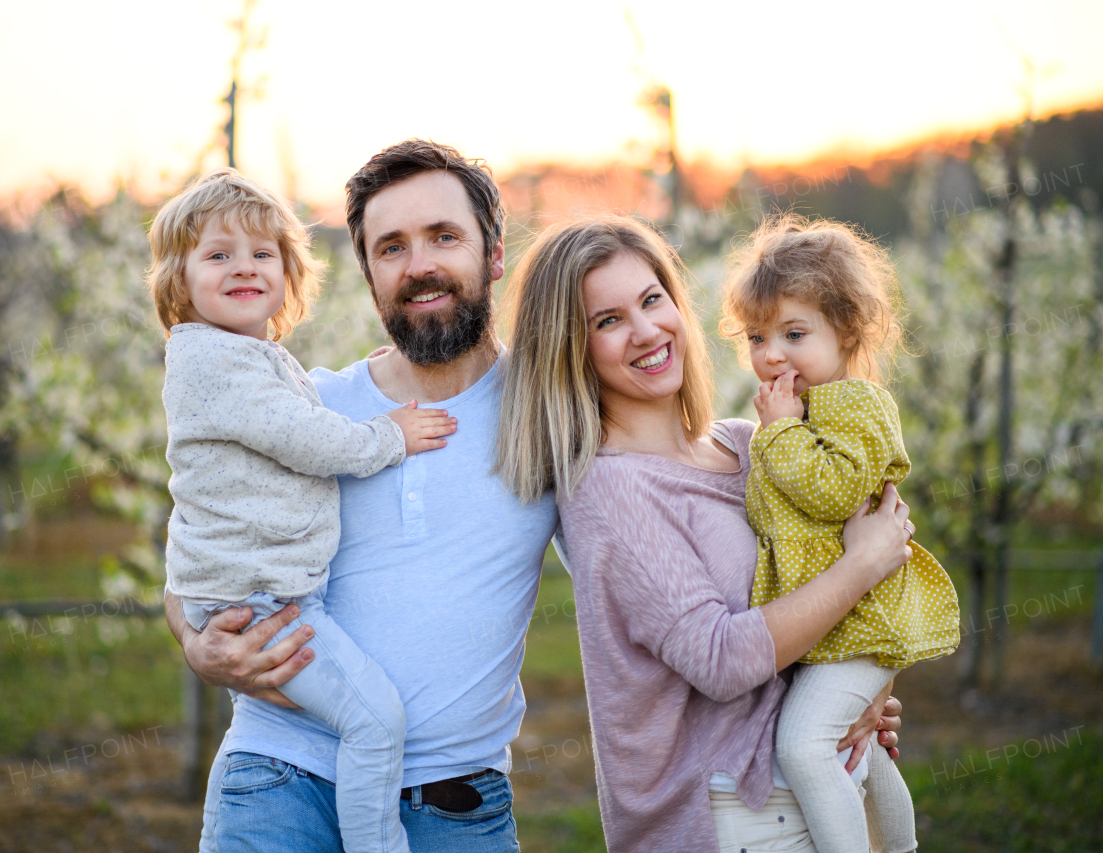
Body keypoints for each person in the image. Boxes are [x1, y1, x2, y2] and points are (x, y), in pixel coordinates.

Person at [164, 140, 562, 853]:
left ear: (493, 253)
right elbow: (193, 549)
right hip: (279, 780)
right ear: (369, 273)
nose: (420, 266)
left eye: (444, 236)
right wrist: (198, 644)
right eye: (391, 247)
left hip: (453, 806)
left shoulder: (549, 415)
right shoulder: (308, 407)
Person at [495, 215, 913, 852]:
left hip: (826, 795)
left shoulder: (750, 447)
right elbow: (720, 660)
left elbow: (830, 588)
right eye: (607, 321)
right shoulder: (611, 492)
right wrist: (862, 567)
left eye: (651, 299)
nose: (645, 331)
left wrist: (859, 690)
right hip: (736, 819)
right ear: (570, 349)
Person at [148, 168, 458, 853]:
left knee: (367, 717)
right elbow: (301, 436)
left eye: (263, 254)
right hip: (263, 604)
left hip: (266, 593)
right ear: (180, 277)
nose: (244, 268)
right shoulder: (211, 362)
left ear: (289, 273)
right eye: (218, 253)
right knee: (376, 720)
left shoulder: (258, 358)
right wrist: (389, 436)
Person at [719, 215, 959, 853]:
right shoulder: (809, 409)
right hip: (829, 625)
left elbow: (832, 490)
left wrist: (779, 432)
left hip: (858, 623)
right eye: (758, 336)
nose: (771, 354)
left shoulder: (856, 404)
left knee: (803, 745)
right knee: (866, 746)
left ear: (847, 329)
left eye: (794, 334)